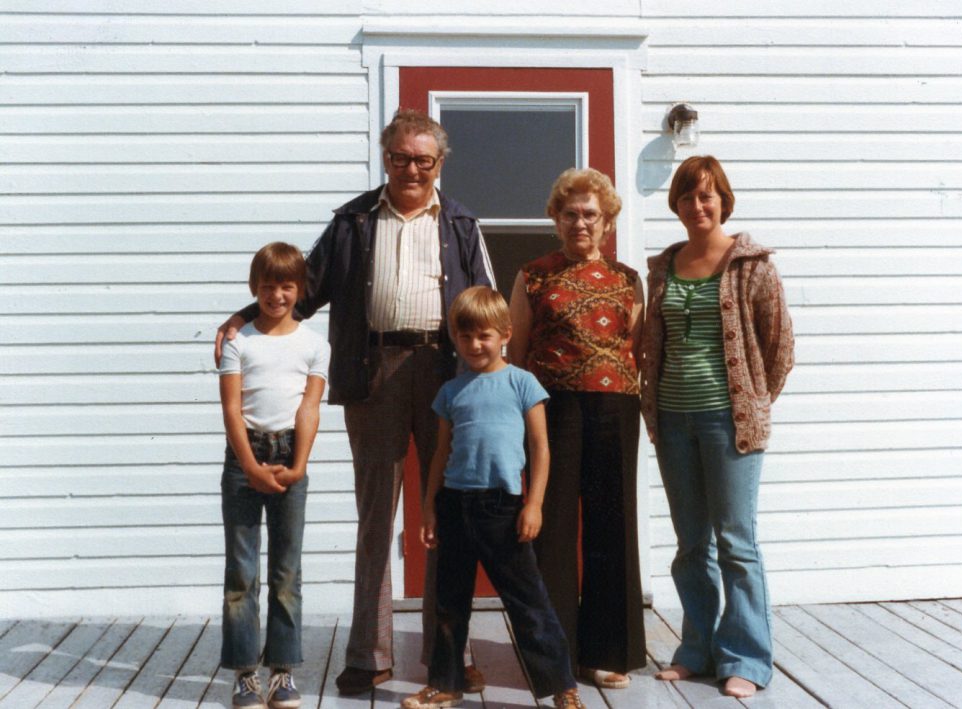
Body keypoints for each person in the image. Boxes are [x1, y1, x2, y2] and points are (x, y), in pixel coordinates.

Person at [215, 110, 495, 696]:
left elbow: (487, 303)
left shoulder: (462, 223)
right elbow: (303, 288)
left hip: (447, 374)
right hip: (374, 376)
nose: (411, 168)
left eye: (423, 159)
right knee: (376, 519)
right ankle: (370, 655)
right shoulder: (352, 221)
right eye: (400, 157)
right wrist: (243, 316)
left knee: (448, 514)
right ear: (385, 157)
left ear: (439, 163)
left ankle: (450, 652)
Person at [640, 155, 794, 698]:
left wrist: (750, 402)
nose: (697, 206)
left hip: (729, 424)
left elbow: (780, 348)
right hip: (673, 420)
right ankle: (696, 650)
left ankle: (746, 660)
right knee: (690, 545)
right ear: (676, 205)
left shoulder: (750, 264)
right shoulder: (663, 266)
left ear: (723, 200)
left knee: (736, 543)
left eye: (707, 196)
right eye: (687, 197)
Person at [403, 286, 584, 709]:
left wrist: (534, 503)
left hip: (502, 508)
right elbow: (440, 455)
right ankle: (446, 682)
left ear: (505, 333)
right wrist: (429, 506)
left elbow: (540, 448)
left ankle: (562, 686)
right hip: (455, 505)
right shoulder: (451, 391)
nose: (474, 345)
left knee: (528, 601)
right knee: (449, 603)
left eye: (484, 335)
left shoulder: (523, 383)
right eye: (465, 337)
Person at [507, 168, 646, 689]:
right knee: (553, 528)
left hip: (615, 408)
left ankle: (608, 652)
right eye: (571, 213)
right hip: (553, 410)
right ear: (555, 218)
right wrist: (522, 415)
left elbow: (635, 349)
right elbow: (517, 353)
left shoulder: (627, 279)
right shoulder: (533, 275)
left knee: (614, 525)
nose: (580, 222)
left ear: (607, 221)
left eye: (591, 214)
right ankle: (553, 654)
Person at [218, 242, 331, 709]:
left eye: (287, 286)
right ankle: (246, 673)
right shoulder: (237, 341)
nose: (277, 295)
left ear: (300, 289)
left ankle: (282, 672)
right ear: (254, 289)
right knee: (242, 572)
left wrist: (299, 465)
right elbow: (231, 407)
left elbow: (309, 406)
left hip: (290, 456)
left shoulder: (314, 343)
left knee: (287, 571)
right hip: (245, 456)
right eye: (268, 286)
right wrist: (248, 465)